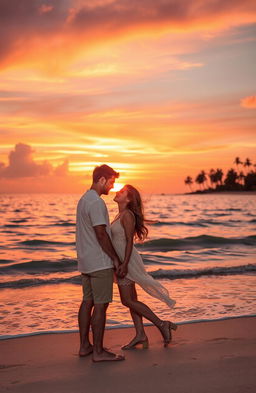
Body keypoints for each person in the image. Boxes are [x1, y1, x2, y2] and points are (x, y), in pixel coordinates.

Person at [111, 184, 177, 349]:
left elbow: (128, 242)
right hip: (123, 260)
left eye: (122, 191)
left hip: (127, 260)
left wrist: (124, 264)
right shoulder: (120, 214)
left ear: (128, 198)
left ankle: (162, 324)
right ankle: (140, 334)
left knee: (127, 300)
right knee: (131, 300)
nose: (117, 192)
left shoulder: (127, 215)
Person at [76, 164, 125, 362]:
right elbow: (101, 234)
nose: (112, 187)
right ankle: (98, 351)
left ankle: (85, 347)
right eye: (111, 182)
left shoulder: (83, 199)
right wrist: (115, 258)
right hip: (99, 262)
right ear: (102, 179)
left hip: (86, 261)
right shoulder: (96, 202)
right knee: (101, 305)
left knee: (87, 302)